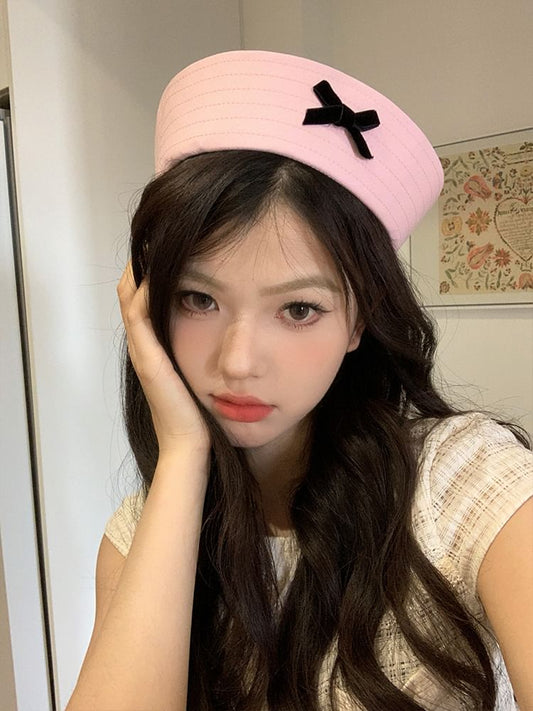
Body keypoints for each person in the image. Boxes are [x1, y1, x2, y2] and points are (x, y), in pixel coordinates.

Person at [67, 50, 533, 711]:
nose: (237, 362)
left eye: (298, 309)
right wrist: (183, 454)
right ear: (149, 305)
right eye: (199, 299)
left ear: (358, 320)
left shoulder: (467, 485)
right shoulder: (143, 530)